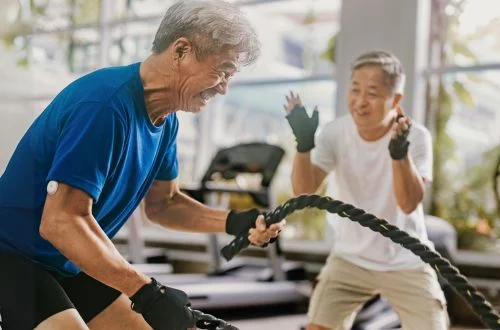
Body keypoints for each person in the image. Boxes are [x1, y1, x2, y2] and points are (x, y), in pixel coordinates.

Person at [0, 1, 285, 330]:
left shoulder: (166, 122)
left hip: (66, 260)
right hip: (11, 253)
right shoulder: (105, 106)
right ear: (181, 50)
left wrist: (235, 221)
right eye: (223, 71)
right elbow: (61, 222)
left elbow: (164, 204)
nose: (224, 87)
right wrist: (148, 292)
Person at [283, 50, 448, 330]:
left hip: (406, 259)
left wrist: (399, 155)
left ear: (395, 100)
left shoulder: (416, 137)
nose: (360, 101)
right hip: (349, 258)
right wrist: (303, 144)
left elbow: (408, 204)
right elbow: (303, 191)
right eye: (355, 89)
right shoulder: (336, 132)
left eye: (372, 93)